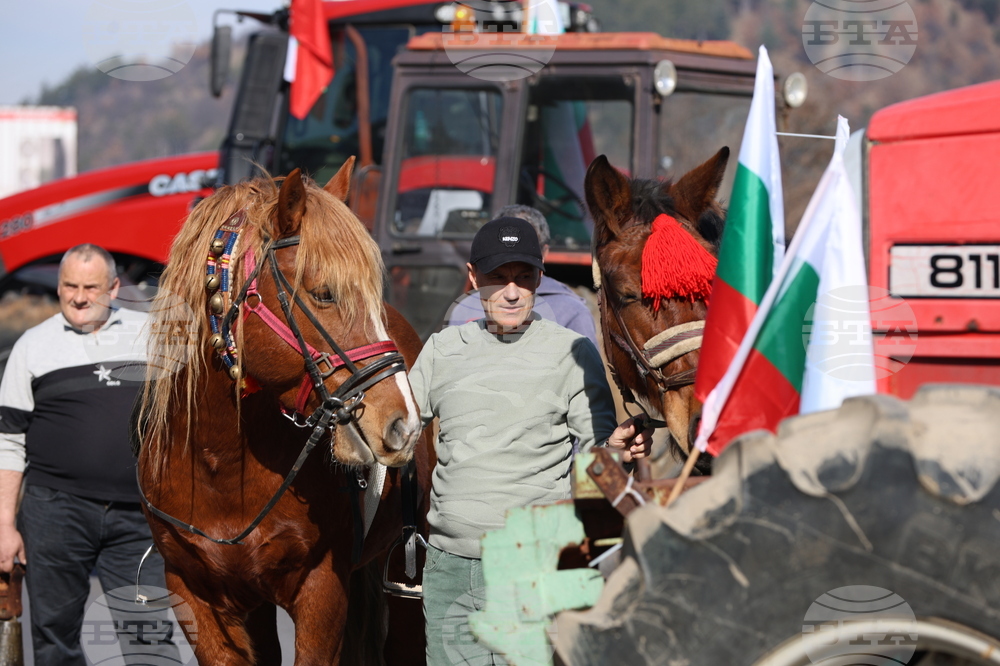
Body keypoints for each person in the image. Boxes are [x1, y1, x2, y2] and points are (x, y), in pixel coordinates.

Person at [410, 217, 652, 665]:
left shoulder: (572, 352)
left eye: (524, 277)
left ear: (540, 277)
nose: (512, 291)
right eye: (497, 278)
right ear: (472, 278)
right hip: (452, 568)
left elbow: (598, 460)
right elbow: (394, 436)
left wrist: (618, 449)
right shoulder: (442, 350)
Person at [0, 244, 178, 665]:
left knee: (148, 638)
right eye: (69, 286)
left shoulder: (152, 336)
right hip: (55, 512)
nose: (79, 297)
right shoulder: (31, 346)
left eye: (91, 287)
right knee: (53, 634)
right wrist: (5, 525)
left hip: (138, 518)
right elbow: (8, 440)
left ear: (114, 288)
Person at [445, 204, 599, 349]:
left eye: (526, 250)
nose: (511, 294)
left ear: (543, 255)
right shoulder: (463, 310)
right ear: (473, 276)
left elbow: (586, 374)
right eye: (497, 276)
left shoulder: (571, 312)